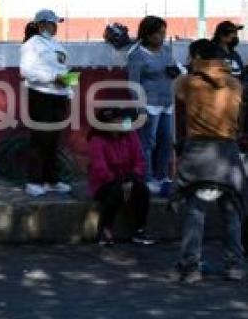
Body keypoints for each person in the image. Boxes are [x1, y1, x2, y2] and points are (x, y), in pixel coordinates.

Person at [173, 39, 245, 283]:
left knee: (195, 212)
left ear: (196, 57)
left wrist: (190, 70)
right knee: (231, 212)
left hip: (199, 154)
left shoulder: (188, 83)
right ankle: (235, 266)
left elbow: (178, 91)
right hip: (228, 153)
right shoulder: (235, 84)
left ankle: (191, 267)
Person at [19, 9, 74, 197]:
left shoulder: (57, 45)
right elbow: (27, 71)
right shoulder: (32, 44)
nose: (55, 26)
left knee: (53, 141)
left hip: (59, 96)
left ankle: (51, 180)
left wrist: (68, 87)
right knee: (40, 140)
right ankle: (34, 181)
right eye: (52, 23)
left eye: (55, 23)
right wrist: (53, 77)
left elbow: (62, 69)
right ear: (41, 24)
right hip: (41, 96)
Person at [127, 16, 182, 196]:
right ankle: (147, 177)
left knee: (166, 141)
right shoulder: (137, 55)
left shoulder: (166, 50)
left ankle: (162, 175)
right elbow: (133, 83)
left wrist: (176, 72)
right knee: (148, 143)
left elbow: (174, 69)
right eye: (159, 33)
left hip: (167, 103)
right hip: (149, 104)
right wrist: (139, 107)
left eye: (164, 32)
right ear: (148, 35)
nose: (162, 36)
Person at [87, 107, 154, 246]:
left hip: (130, 179)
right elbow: (100, 169)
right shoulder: (97, 140)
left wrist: (132, 176)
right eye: (115, 122)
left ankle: (139, 230)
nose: (120, 124)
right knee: (116, 191)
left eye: (121, 121)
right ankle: (105, 231)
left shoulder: (131, 135)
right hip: (105, 183)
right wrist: (121, 181)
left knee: (143, 190)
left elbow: (140, 161)